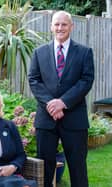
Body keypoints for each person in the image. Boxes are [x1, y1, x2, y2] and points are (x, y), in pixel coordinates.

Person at [28, 11, 94, 187]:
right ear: (51, 27)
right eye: (56, 24)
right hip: (46, 120)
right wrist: (51, 104)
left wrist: (63, 103)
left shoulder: (84, 52)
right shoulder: (39, 52)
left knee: (78, 169)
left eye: (64, 24)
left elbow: (86, 81)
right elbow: (34, 80)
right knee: (44, 170)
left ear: (71, 27)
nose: (60, 28)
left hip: (74, 120)